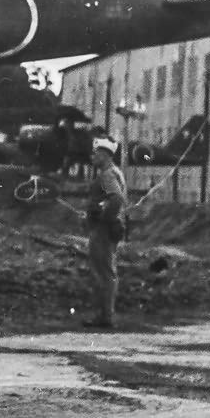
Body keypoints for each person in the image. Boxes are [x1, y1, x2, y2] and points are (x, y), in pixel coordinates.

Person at [84, 134, 129, 328]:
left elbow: (116, 198)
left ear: (104, 155)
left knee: (102, 272)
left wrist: (104, 217)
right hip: (109, 227)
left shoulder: (107, 175)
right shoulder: (115, 172)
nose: (92, 157)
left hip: (103, 229)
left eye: (95, 153)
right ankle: (105, 314)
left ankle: (104, 316)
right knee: (107, 271)